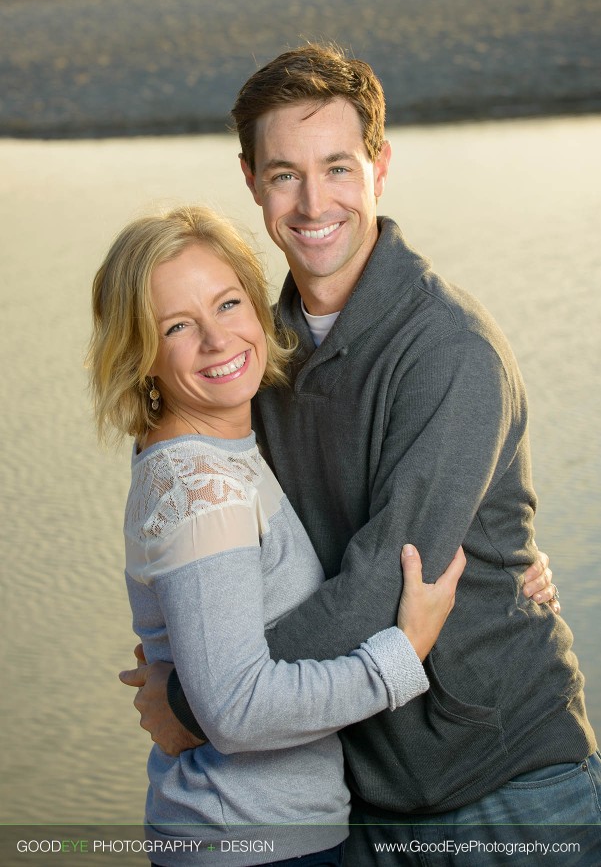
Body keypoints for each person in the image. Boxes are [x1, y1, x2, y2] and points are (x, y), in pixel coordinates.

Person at [121, 44, 601, 864]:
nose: (313, 203)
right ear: (251, 182)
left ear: (379, 166)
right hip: (354, 796)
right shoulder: (249, 355)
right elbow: (204, 524)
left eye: (337, 167)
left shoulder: (450, 351)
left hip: (504, 790)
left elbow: (389, 575)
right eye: (284, 174)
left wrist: (199, 703)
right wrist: (195, 659)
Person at [89, 204, 467, 866]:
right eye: (177, 326)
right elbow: (237, 711)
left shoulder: (223, 450)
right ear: (140, 353)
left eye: (228, 303)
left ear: (259, 308)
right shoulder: (199, 483)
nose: (216, 340)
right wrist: (401, 657)